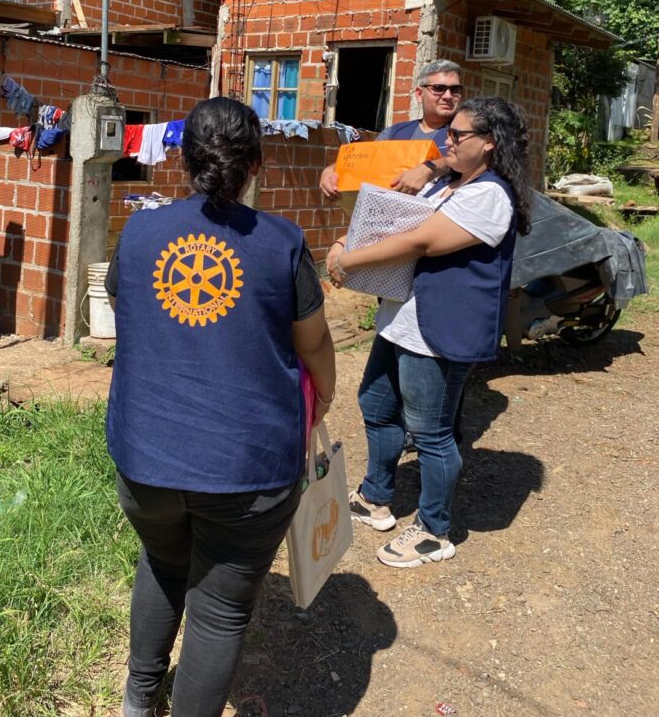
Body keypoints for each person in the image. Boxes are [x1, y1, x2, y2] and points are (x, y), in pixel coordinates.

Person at [105, 97, 336, 717]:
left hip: (145, 457)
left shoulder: (139, 234)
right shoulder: (282, 243)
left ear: (183, 160)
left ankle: (137, 699)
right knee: (220, 611)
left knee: (162, 560)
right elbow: (313, 344)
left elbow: (126, 307)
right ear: (256, 164)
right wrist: (326, 397)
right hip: (249, 469)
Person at [326, 97, 531, 569]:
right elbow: (390, 219)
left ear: (490, 144)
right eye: (449, 133)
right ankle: (376, 497)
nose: (447, 141)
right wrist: (345, 239)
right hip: (403, 322)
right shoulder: (450, 183)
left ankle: (434, 530)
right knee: (376, 405)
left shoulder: (490, 196)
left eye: (458, 136)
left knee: (432, 433)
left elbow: (421, 240)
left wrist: (348, 261)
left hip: (439, 332)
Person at [319, 59, 463, 199]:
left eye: (455, 89)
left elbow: (477, 160)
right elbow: (366, 161)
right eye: (439, 88)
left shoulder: (471, 132)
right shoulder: (395, 132)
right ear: (419, 94)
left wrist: (429, 169)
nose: (448, 96)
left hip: (441, 218)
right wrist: (331, 170)